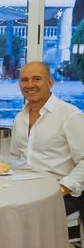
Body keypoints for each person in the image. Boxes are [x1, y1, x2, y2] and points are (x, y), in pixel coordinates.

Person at [10, 61, 84, 222]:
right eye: (24, 80)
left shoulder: (70, 116)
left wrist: (62, 188)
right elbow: (16, 157)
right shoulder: (19, 118)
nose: (30, 85)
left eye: (36, 79)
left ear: (50, 82)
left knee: (20, 218)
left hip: (62, 192)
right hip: (25, 188)